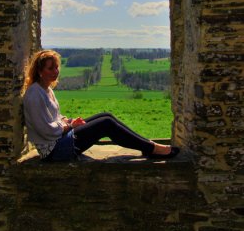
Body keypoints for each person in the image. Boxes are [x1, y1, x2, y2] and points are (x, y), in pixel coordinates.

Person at [22, 50, 180, 162]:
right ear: (40, 71)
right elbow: (46, 130)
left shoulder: (45, 89)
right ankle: (152, 149)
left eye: (57, 67)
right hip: (54, 150)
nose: (56, 71)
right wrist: (69, 126)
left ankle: (148, 145)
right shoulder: (35, 94)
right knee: (106, 124)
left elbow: (54, 117)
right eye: (51, 68)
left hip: (59, 140)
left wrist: (68, 121)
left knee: (106, 116)